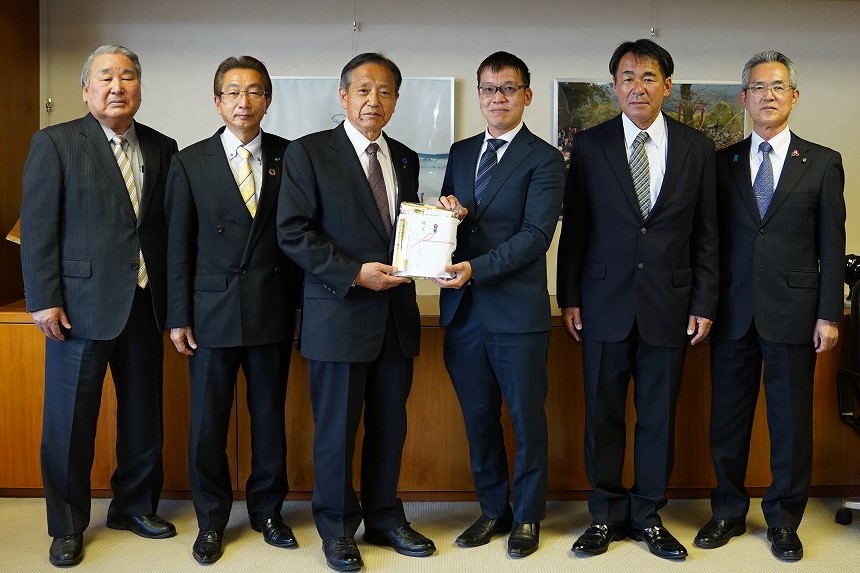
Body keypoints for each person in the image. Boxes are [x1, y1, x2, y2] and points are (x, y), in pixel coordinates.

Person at [556, 39, 718, 561]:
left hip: (670, 305)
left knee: (657, 417)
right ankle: (604, 515)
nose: (637, 86)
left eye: (648, 77)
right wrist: (570, 296)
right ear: (614, 86)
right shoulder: (591, 145)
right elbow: (575, 228)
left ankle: (648, 515)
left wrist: (705, 301)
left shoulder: (696, 148)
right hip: (602, 303)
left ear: (666, 86)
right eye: (626, 77)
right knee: (602, 414)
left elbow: (707, 235)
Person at [19, 44, 178, 567]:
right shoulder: (56, 142)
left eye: (128, 76)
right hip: (78, 309)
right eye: (106, 77)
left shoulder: (162, 146)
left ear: (139, 87)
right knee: (69, 424)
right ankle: (66, 526)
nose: (118, 86)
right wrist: (44, 300)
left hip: (143, 301)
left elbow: (162, 229)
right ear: (86, 90)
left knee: (142, 416)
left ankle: (133, 505)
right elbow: (40, 227)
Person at [276, 52, 435, 572]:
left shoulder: (406, 157)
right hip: (339, 313)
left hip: (395, 318)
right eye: (363, 89)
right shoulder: (308, 153)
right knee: (337, 432)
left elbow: (407, 231)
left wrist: (441, 223)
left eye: (385, 91)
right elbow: (293, 233)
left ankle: (385, 518)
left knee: (390, 428)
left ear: (395, 100)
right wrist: (352, 272)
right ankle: (338, 528)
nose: (374, 100)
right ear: (343, 96)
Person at [693, 51, 845, 562]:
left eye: (778, 87)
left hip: (795, 314)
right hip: (732, 313)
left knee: (790, 424)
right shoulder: (722, 162)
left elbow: (831, 244)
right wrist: (704, 303)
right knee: (727, 422)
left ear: (794, 96)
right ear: (744, 98)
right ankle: (728, 512)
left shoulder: (822, 162)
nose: (768, 95)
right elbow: (708, 242)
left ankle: (784, 520)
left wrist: (829, 313)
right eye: (758, 87)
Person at [165, 55, 302, 565]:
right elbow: (177, 244)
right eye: (233, 92)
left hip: (271, 307)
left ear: (268, 100)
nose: (244, 102)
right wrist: (178, 315)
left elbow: (301, 242)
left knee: (269, 421)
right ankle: (211, 520)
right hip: (210, 314)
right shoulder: (189, 161)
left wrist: (302, 310)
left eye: (255, 92)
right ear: (217, 100)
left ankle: (268, 512)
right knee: (208, 425)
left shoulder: (291, 157)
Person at [433, 51, 565, 558]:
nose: (497, 98)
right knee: (478, 417)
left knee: (527, 419)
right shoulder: (462, 151)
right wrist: (452, 214)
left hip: (516, 315)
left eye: (508, 89)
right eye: (488, 89)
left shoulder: (546, 158)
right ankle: (493, 509)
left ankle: (528, 515)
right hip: (463, 314)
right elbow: (450, 219)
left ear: (526, 96)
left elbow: (535, 237)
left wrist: (475, 269)